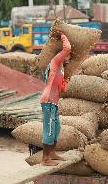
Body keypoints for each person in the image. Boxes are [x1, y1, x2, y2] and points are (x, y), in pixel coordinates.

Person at [40, 31, 71, 166]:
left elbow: (62, 88)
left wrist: (67, 81)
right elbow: (67, 48)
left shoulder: (62, 69)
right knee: (50, 129)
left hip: (54, 103)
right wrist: (63, 35)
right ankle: (45, 159)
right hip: (48, 101)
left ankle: (52, 153)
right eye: (68, 56)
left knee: (56, 129)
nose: (69, 57)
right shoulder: (56, 61)